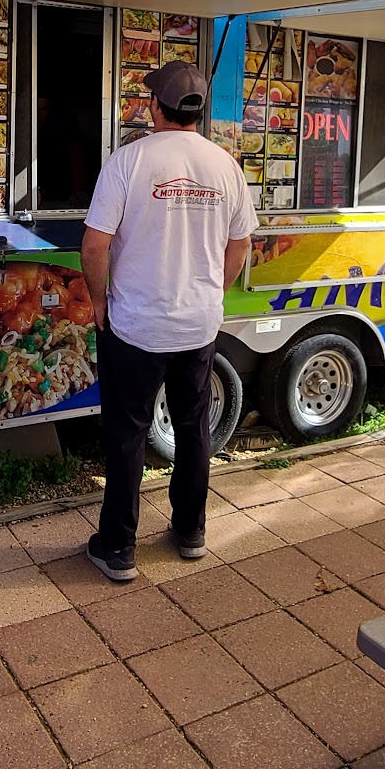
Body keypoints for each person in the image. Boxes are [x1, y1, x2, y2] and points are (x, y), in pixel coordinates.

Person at [80, 62, 257, 583]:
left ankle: (118, 548)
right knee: (192, 427)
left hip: (135, 325)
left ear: (156, 106)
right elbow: (241, 244)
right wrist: (212, 293)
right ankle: (190, 531)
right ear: (197, 111)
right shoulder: (225, 166)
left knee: (128, 433)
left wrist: (98, 303)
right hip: (197, 326)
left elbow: (94, 245)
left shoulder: (128, 161)